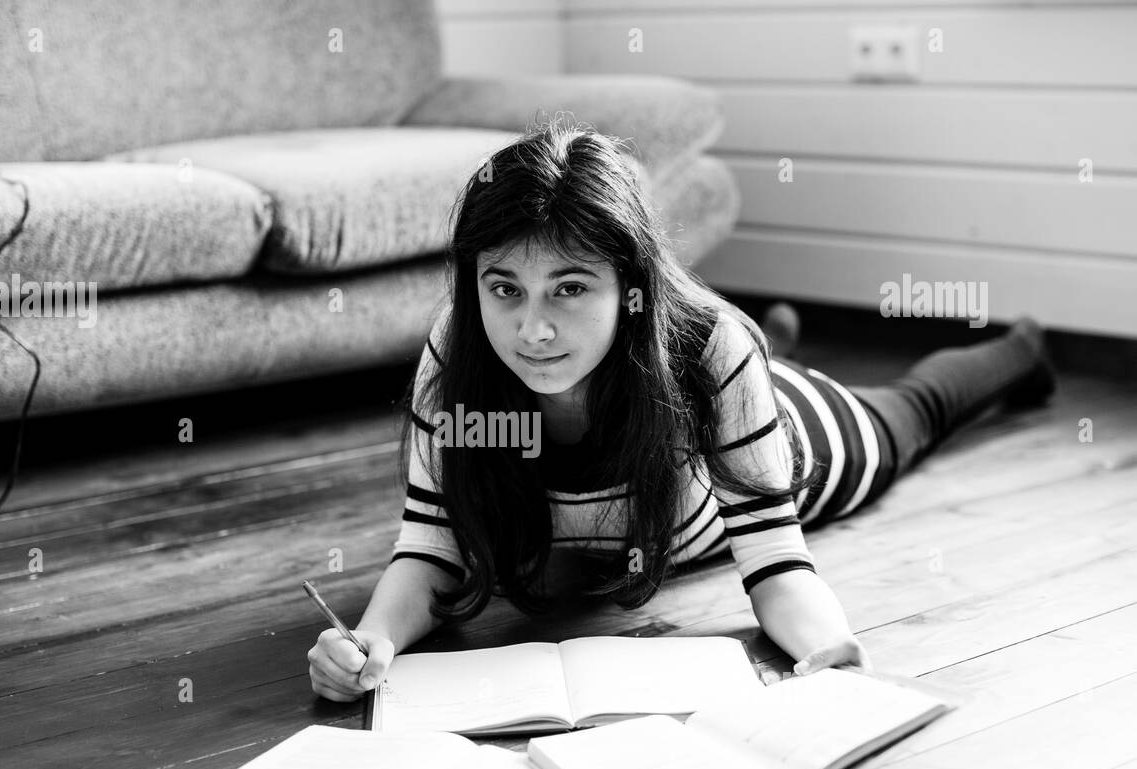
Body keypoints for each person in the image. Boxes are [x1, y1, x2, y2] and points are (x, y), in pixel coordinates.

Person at [307, 118, 1055, 702]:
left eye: (570, 289)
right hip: (712, 393)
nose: (532, 329)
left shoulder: (709, 348)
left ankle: (1022, 347)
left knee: (914, 412)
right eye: (505, 289)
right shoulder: (460, 351)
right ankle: (777, 350)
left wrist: (831, 653)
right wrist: (371, 641)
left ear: (630, 289)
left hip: (793, 434)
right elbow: (432, 546)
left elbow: (775, 563)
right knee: (745, 361)